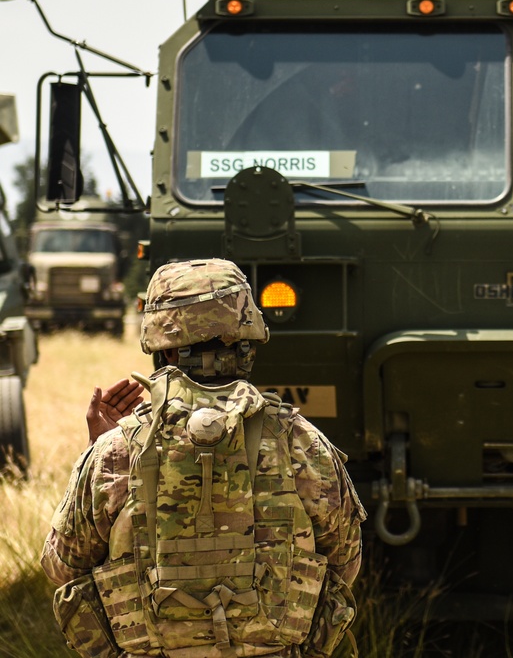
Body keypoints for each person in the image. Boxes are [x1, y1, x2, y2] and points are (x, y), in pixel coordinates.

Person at [41, 258, 366, 658]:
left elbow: (61, 567)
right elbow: (345, 566)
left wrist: (97, 448)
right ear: (247, 342)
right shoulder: (303, 443)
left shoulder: (117, 451)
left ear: (163, 347)